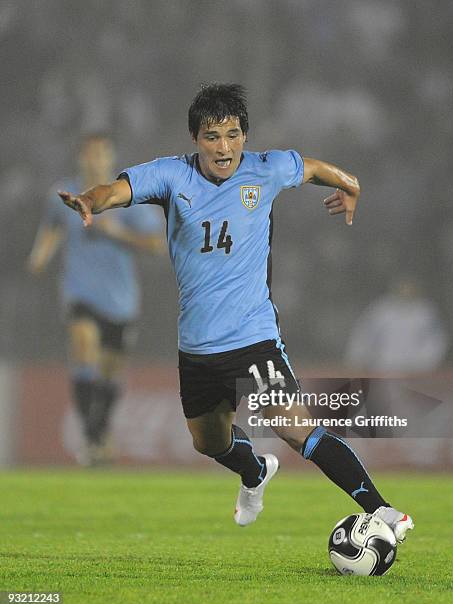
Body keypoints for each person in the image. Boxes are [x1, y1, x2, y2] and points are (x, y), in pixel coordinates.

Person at [58, 84, 414, 541]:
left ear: (245, 136)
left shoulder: (266, 170)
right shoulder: (171, 176)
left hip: (253, 337)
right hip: (197, 346)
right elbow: (115, 190)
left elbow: (314, 169)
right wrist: (90, 201)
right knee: (208, 441)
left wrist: (351, 186)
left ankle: (384, 512)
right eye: (212, 136)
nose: (223, 147)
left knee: (296, 429)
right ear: (195, 140)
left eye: (232, 134)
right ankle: (254, 471)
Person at [28, 133, 165, 465]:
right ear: (80, 158)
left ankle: (98, 434)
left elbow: (156, 245)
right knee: (84, 343)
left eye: (101, 154)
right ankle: (91, 436)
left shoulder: (126, 196)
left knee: (109, 372)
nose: (95, 160)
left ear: (110, 158)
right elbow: (52, 227)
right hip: (80, 292)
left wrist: (116, 233)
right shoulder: (64, 195)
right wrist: (40, 257)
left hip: (121, 300)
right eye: (89, 154)